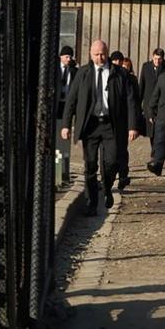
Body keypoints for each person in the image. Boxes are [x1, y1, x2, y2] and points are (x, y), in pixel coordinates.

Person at [60, 40, 140, 216]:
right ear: (90, 54)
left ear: (107, 53)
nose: (100, 57)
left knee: (111, 162)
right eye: (96, 54)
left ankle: (107, 187)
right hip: (90, 125)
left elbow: (131, 100)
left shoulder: (119, 74)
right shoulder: (83, 73)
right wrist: (66, 125)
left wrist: (133, 126)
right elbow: (71, 101)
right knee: (90, 165)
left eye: (103, 54)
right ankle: (92, 203)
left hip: (111, 125)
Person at [109, 51, 140, 192]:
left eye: (119, 62)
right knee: (110, 150)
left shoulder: (130, 79)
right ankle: (110, 176)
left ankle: (122, 175)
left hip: (123, 120)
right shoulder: (107, 76)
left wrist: (133, 125)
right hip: (109, 120)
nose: (116, 65)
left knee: (121, 149)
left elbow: (134, 102)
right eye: (114, 62)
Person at [56, 45, 77, 185]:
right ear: (61, 57)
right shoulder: (54, 70)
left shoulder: (74, 72)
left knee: (65, 143)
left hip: (67, 109)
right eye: (66, 57)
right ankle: (57, 175)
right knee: (57, 144)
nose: (68, 59)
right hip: (56, 108)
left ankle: (65, 173)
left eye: (70, 57)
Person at [139, 47, 165, 145]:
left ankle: (156, 152)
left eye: (159, 59)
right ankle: (154, 151)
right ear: (152, 57)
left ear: (163, 59)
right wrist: (139, 102)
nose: (157, 61)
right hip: (149, 103)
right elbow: (142, 84)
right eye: (155, 59)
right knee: (151, 130)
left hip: (161, 103)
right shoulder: (146, 66)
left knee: (159, 130)